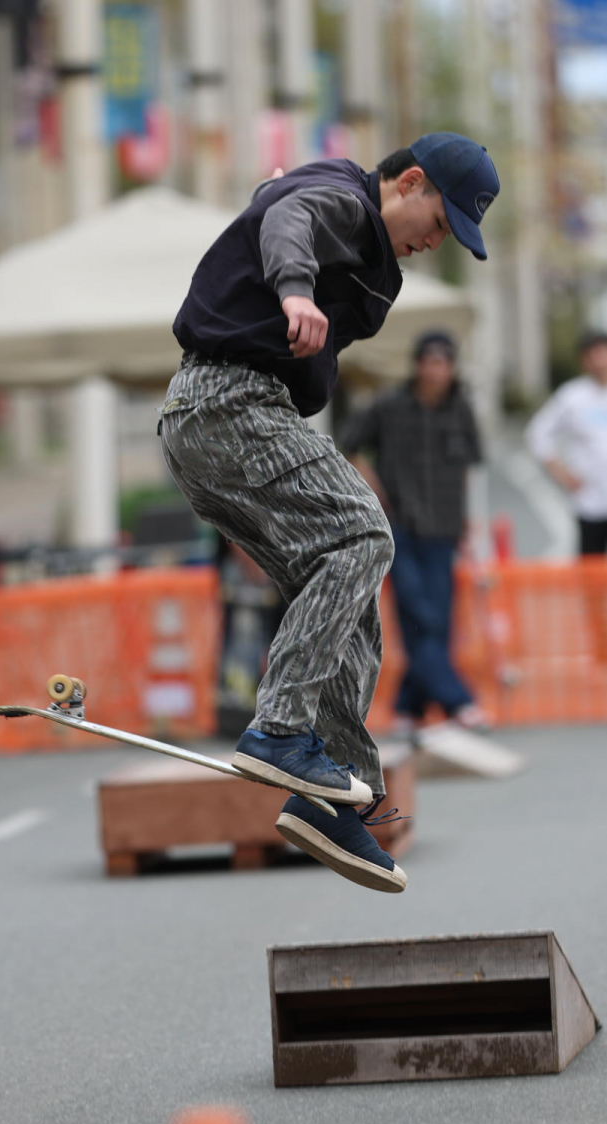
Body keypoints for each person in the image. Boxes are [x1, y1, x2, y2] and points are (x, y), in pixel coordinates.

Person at [158, 131, 499, 892]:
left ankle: (336, 794)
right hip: (230, 405)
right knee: (363, 533)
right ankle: (278, 727)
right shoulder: (343, 199)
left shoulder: (359, 248)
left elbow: (278, 214)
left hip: (216, 424)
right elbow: (292, 220)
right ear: (409, 182)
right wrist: (293, 288)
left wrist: (274, 213)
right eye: (437, 223)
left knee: (350, 597)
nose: (431, 243)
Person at [343, 329, 488, 737]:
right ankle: (459, 701)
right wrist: (373, 489)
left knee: (436, 619)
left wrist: (466, 520)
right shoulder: (388, 405)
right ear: (418, 364)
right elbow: (349, 445)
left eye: (444, 362)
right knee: (416, 612)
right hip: (399, 527)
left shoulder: (461, 409)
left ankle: (409, 706)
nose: (436, 370)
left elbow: (467, 470)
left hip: (443, 529)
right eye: (430, 361)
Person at [526, 331, 607, 556]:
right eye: (591, 355)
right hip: (590, 499)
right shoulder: (572, 396)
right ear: (583, 361)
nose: (598, 361)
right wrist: (561, 473)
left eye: (602, 353)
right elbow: (537, 433)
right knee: (591, 563)